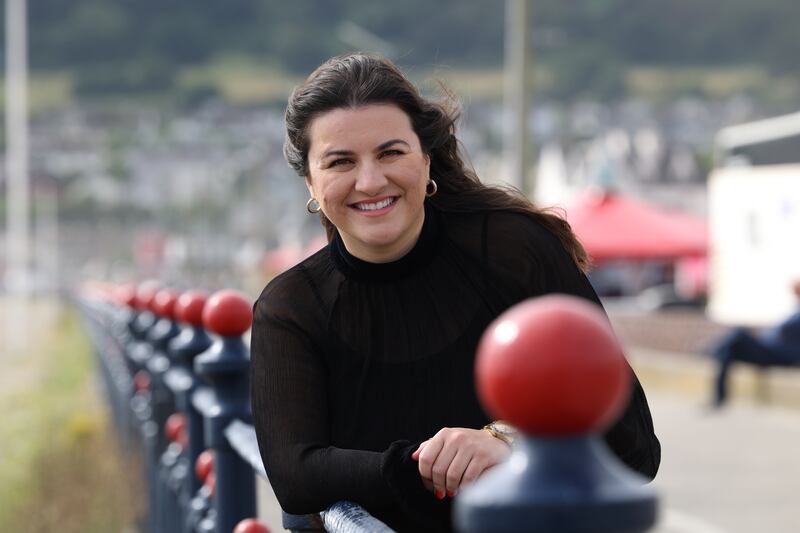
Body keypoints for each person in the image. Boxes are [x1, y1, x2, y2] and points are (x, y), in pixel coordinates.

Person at [250, 53, 660, 532]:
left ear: (425, 160)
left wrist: (508, 442)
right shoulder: (292, 306)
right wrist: (425, 465)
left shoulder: (512, 252)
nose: (370, 180)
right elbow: (295, 475)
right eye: (341, 162)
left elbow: (633, 440)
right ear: (312, 185)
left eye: (391, 153)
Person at [709, 280, 800, 407]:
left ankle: (712, 351)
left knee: (738, 334)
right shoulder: (794, 311)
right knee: (730, 349)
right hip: (770, 349)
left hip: (780, 355)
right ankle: (720, 395)